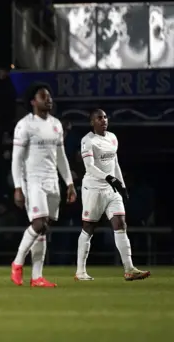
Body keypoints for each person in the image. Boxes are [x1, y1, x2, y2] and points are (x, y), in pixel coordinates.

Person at [10, 82, 76, 287]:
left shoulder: (56, 124)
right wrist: (18, 187)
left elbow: (61, 156)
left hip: (52, 181)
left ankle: (37, 277)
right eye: (43, 96)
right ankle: (18, 263)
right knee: (38, 224)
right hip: (34, 181)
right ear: (33, 101)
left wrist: (70, 183)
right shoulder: (25, 125)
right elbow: (17, 159)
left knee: (43, 229)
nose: (48, 99)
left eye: (49, 96)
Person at [75, 109, 150, 281]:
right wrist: (109, 178)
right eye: (99, 118)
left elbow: (115, 163)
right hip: (93, 189)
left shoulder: (112, 138)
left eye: (105, 117)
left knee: (120, 223)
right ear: (92, 122)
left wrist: (122, 185)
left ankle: (129, 269)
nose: (103, 120)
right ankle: (80, 271)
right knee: (88, 228)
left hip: (111, 189)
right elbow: (90, 167)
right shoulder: (88, 141)